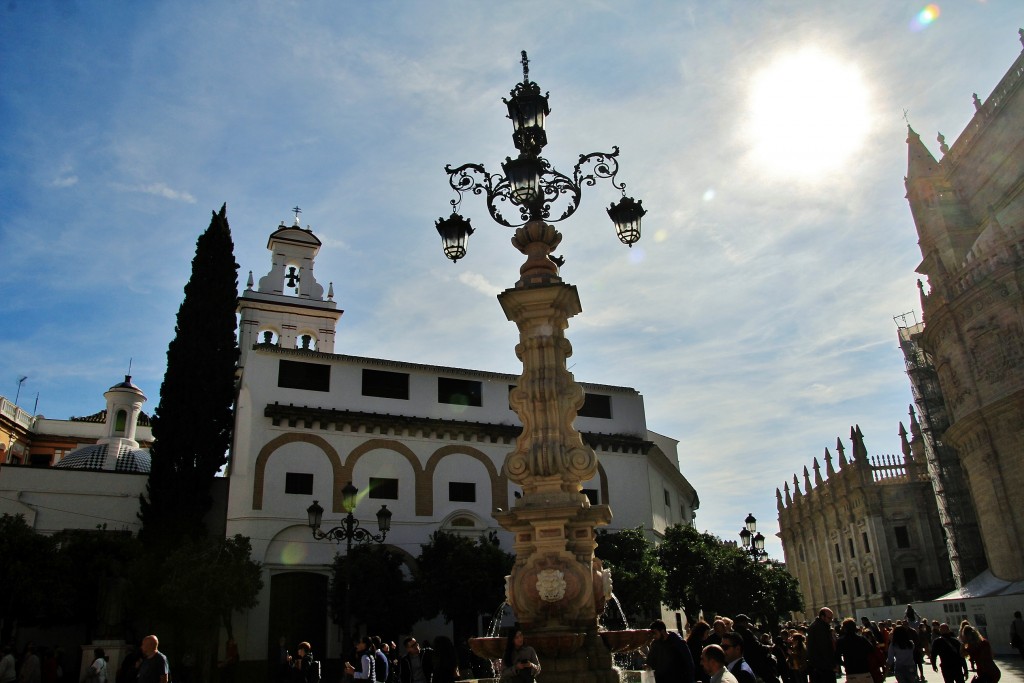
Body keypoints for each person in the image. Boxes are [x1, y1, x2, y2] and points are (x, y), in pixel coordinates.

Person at [806, 608, 835, 683]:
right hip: (823, 667)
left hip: (818, 666)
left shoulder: (816, 626)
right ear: (822, 617)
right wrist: (832, 664)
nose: (831, 620)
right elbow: (824, 648)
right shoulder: (820, 628)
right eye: (829, 618)